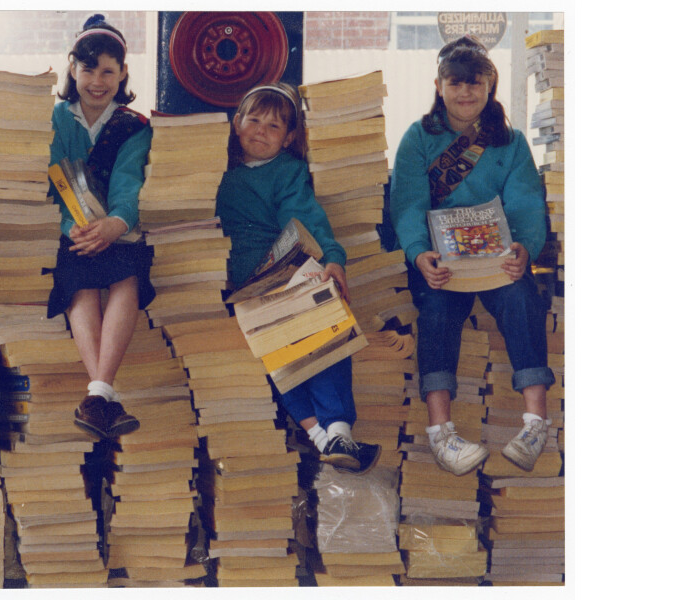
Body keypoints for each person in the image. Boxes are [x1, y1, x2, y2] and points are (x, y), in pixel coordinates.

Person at [389, 35, 554, 475]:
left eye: (475, 83)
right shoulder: (418, 138)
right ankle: (441, 431)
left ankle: (536, 423)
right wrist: (419, 253)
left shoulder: (512, 141)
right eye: (455, 83)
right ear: (439, 85)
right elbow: (407, 203)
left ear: (490, 86)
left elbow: (525, 202)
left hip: (496, 254)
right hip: (443, 260)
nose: (465, 93)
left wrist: (524, 248)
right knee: (437, 310)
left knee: (523, 299)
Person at [216, 83, 380, 473]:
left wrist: (333, 258)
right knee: (275, 352)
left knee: (323, 326)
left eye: (273, 127)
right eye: (253, 120)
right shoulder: (214, 164)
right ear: (236, 122)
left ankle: (336, 432)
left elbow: (305, 217)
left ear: (289, 138)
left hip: (282, 269)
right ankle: (324, 437)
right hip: (234, 278)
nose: (260, 130)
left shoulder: (287, 171)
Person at [47, 15, 154, 441]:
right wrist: (75, 227)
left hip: (118, 228)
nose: (97, 80)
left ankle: (97, 397)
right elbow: (55, 182)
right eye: (88, 69)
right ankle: (102, 395)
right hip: (74, 229)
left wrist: (116, 223)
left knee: (126, 279)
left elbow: (130, 183)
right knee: (82, 286)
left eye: (108, 70)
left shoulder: (134, 127)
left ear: (123, 73)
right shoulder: (56, 121)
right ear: (72, 70)